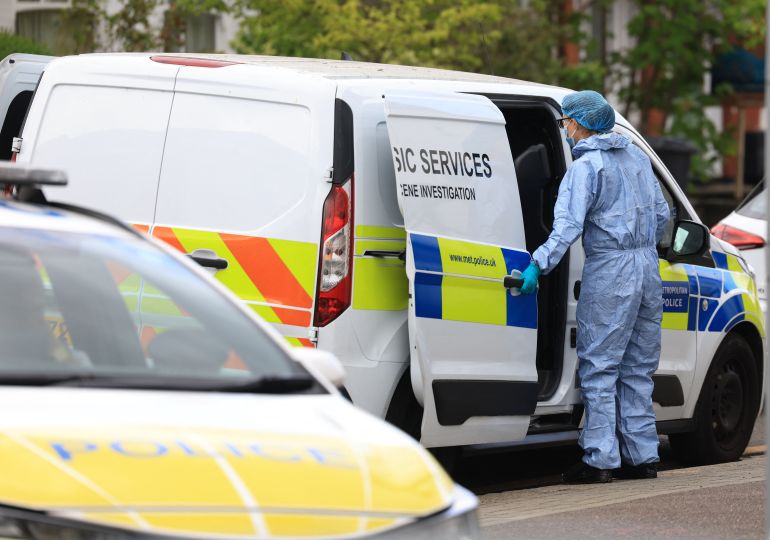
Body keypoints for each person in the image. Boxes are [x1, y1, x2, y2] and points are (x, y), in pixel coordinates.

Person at [518, 90, 670, 484]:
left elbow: (567, 226)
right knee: (637, 368)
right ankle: (642, 457)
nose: (565, 129)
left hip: (612, 270)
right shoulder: (637, 158)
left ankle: (601, 459)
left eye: (565, 121)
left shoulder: (586, 169)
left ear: (579, 123)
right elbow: (662, 214)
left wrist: (538, 263)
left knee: (600, 367)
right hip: (647, 266)